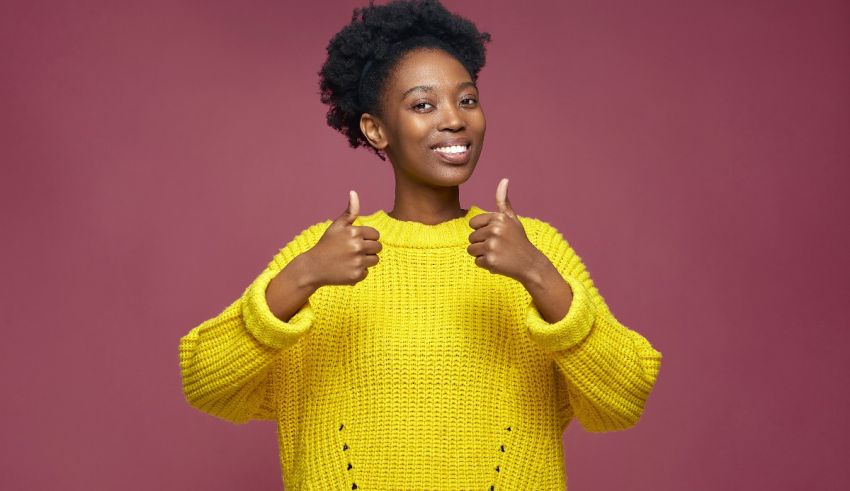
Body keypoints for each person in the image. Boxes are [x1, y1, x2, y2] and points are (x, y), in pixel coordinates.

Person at [178, 0, 662, 489]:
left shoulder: (534, 248)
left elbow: (622, 402)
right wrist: (303, 275)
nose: (454, 120)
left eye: (467, 100)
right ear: (376, 129)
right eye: (423, 105)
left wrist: (536, 272)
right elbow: (205, 384)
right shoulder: (324, 255)